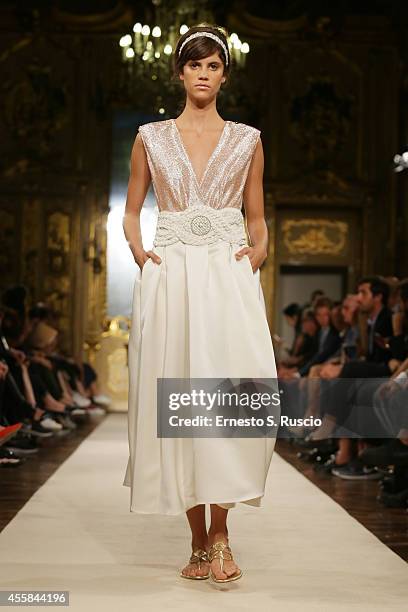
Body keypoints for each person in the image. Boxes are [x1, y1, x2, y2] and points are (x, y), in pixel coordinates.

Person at [121, 23, 278, 583]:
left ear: (225, 75)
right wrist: (141, 253)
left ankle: (222, 533)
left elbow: (257, 217)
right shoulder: (150, 136)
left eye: (214, 66)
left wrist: (256, 255)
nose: (204, 75)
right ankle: (197, 538)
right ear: (180, 73)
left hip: (228, 277)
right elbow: (132, 208)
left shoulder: (248, 139)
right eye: (195, 66)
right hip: (172, 275)